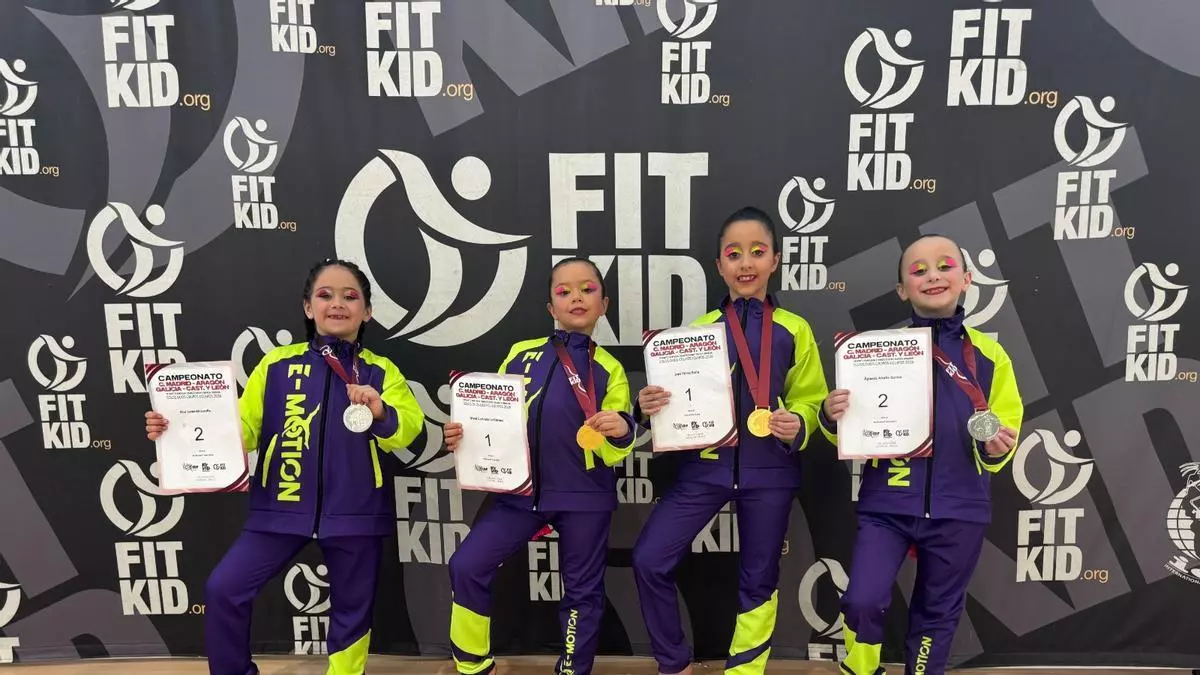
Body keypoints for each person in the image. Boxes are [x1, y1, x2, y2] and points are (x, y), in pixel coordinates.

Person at [144, 258, 424, 675]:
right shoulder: (276, 364)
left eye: (350, 296)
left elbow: (409, 431)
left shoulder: (381, 371)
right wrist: (177, 427)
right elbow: (241, 430)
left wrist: (381, 410)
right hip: (279, 508)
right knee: (224, 589)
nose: (337, 304)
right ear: (309, 308)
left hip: (356, 512)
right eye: (325, 295)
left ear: (367, 311)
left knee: (352, 611)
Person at [632, 206, 829, 675]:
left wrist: (800, 422)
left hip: (770, 470)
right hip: (704, 468)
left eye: (757, 252)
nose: (745, 263)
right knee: (649, 558)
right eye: (734, 254)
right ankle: (673, 663)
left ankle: (745, 670)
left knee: (759, 578)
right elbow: (676, 405)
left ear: (775, 260)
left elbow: (812, 398)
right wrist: (651, 405)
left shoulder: (794, 329)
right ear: (719, 265)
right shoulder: (696, 333)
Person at [822, 234, 1023, 675]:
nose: (933, 275)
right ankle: (861, 668)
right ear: (902, 290)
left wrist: (995, 448)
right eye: (918, 270)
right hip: (888, 502)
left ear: (967, 279)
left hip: (959, 506)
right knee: (862, 600)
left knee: (937, 614)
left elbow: (1005, 425)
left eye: (945, 266)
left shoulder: (991, 356)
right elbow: (847, 423)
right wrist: (830, 414)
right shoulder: (875, 352)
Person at [442, 257, 637, 675]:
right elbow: (493, 416)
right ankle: (473, 664)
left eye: (587, 289)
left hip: (584, 496)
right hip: (520, 494)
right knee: (466, 565)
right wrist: (464, 434)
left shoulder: (610, 369)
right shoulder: (521, 354)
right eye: (564, 292)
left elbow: (614, 451)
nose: (576, 298)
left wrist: (621, 430)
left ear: (604, 304)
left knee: (582, 591)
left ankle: (572, 669)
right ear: (551, 307)